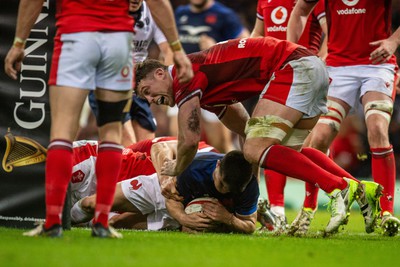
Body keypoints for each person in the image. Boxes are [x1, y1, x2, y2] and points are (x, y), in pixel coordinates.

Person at [134, 36, 383, 235]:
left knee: (255, 148)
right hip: (308, 67)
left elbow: (189, 140)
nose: (151, 100)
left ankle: (339, 187)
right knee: (281, 152)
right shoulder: (205, 86)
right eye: (144, 97)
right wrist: (248, 193)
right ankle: (362, 190)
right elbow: (245, 130)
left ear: (160, 74)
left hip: (291, 67)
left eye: (147, 91)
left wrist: (174, 170)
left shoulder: (182, 75)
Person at [4, 0, 193, 238]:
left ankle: (52, 222)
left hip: (75, 35)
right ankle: (102, 222)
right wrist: (177, 48)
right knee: (112, 133)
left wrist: (19, 42)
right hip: (118, 42)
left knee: (62, 131)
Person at [287, 0, 400, 236]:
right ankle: (308, 209)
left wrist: (393, 41)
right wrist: (293, 51)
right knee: (318, 137)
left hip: (376, 66)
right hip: (338, 67)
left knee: (377, 128)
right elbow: (300, 9)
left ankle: (385, 212)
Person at [250, 0, 327, 232]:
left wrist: (322, 63)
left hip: (307, 76)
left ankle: (309, 209)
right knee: (271, 139)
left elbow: (331, 36)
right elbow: (257, 33)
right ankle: (278, 212)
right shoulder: (264, 1)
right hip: (277, 76)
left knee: (315, 143)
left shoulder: (312, 2)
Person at [71, 141, 259, 234]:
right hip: (164, 191)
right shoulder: (194, 167)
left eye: (230, 190)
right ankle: (64, 221)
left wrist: (228, 219)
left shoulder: (248, 186)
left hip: (182, 208)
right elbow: (170, 197)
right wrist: (184, 218)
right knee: (90, 204)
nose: (224, 191)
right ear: (217, 165)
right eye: (221, 184)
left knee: (116, 223)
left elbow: (250, 225)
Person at [84, 0, 175, 146]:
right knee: (127, 147)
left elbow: (169, 50)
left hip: (138, 83)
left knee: (147, 147)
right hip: (108, 80)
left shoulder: (153, 10)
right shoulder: (105, 8)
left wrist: (163, 85)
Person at [169, 0, 251, 153]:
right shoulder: (180, 13)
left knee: (219, 144)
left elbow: (248, 45)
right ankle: (185, 176)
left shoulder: (224, 15)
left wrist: (217, 48)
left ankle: (229, 175)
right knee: (178, 142)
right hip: (182, 83)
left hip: (212, 85)